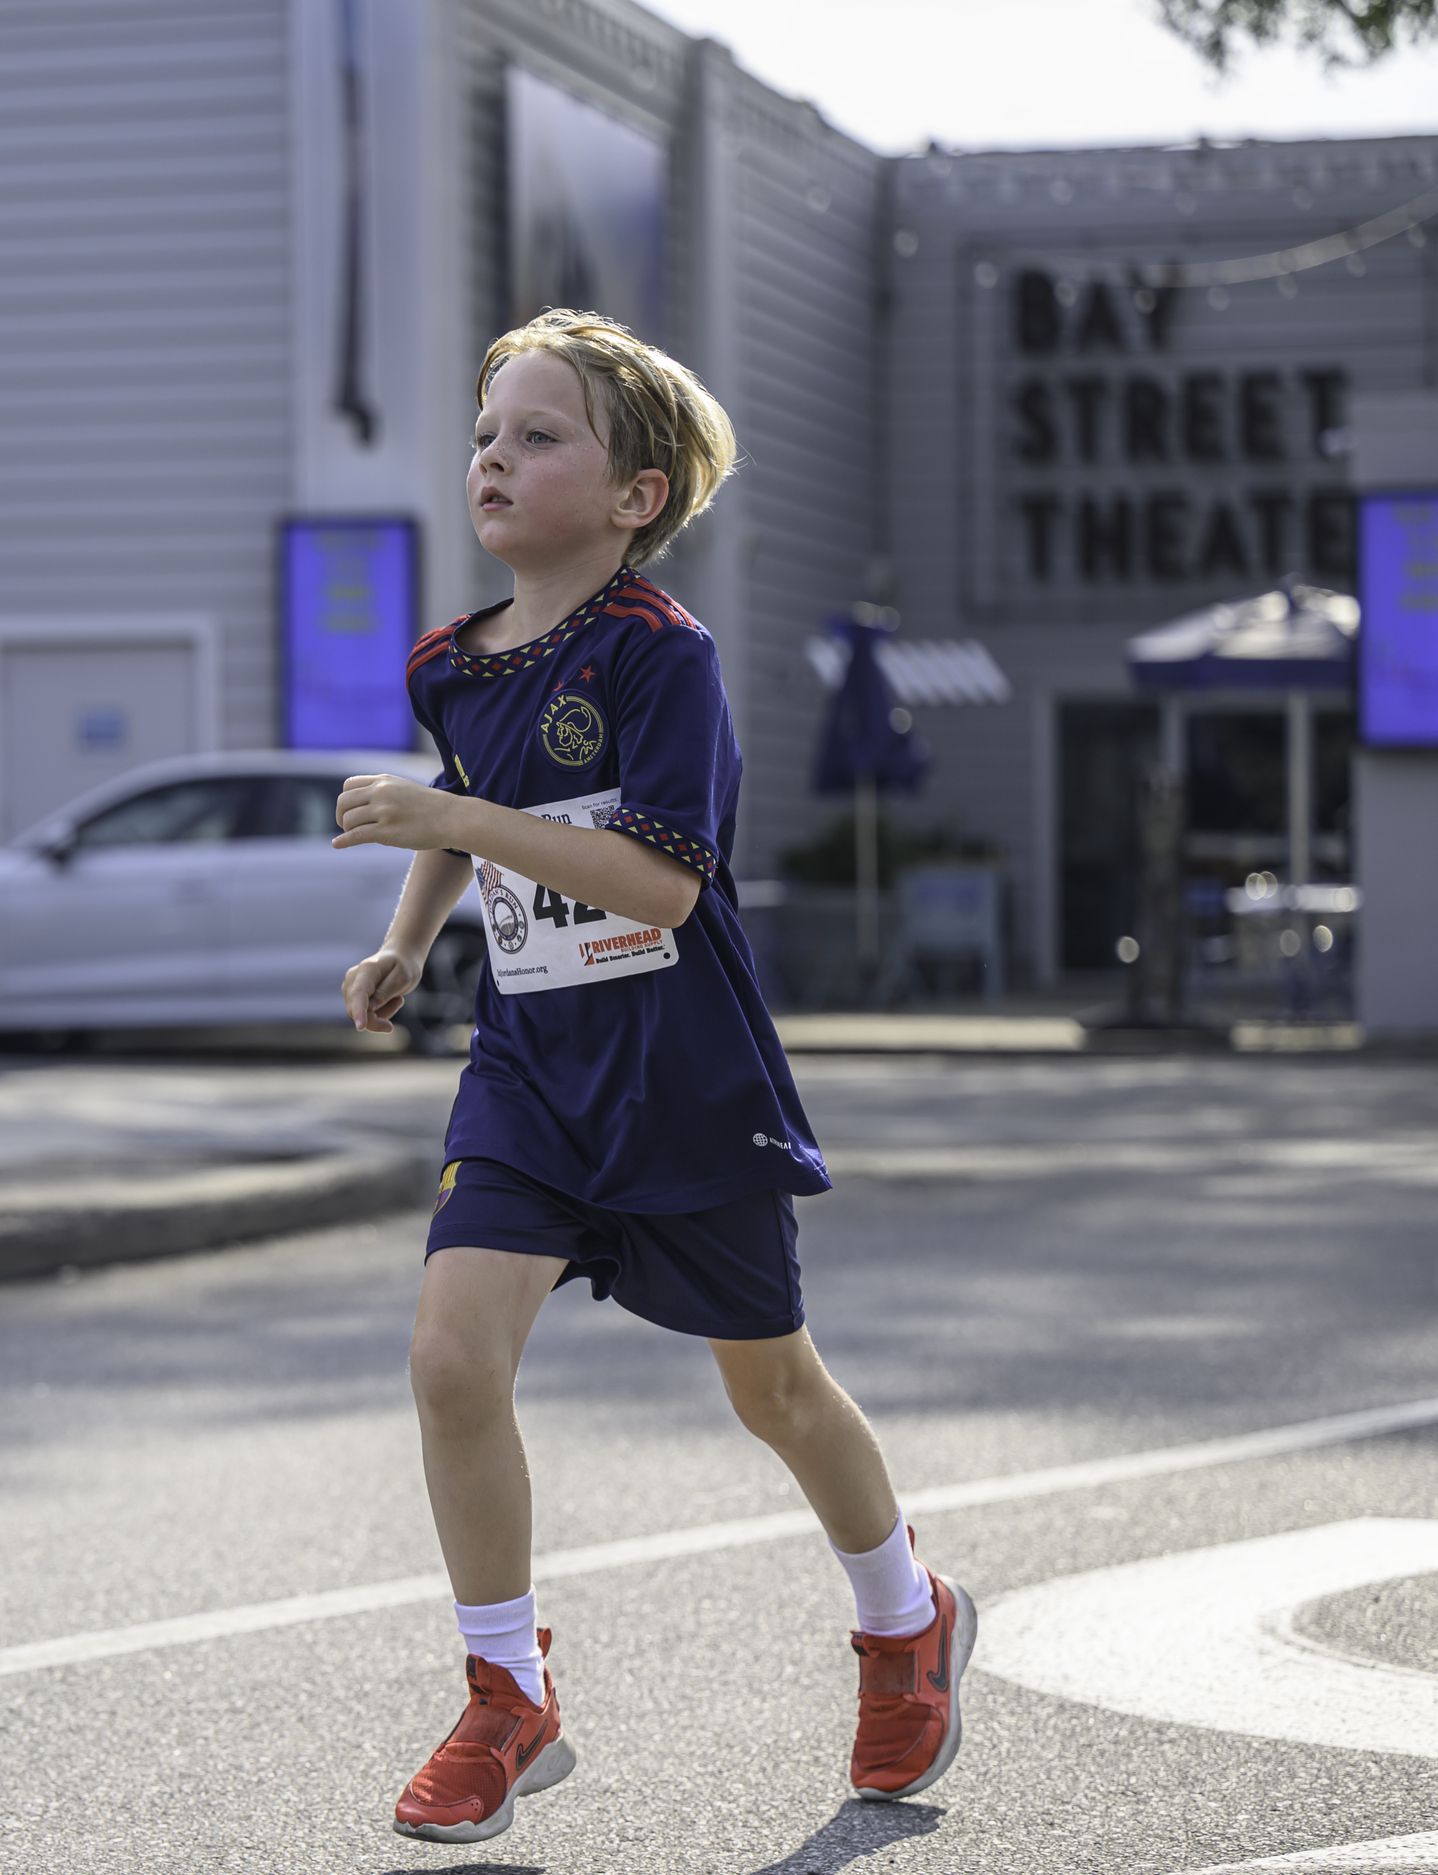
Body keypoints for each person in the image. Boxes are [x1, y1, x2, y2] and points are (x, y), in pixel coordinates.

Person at [335, 310, 974, 1847]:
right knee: (447, 1359)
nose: (495, 454)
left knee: (772, 1388)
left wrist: (450, 830)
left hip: (681, 1078)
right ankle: (507, 1693)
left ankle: (905, 1621)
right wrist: (411, 937)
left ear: (636, 497)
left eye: (541, 435)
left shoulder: (657, 655)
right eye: (488, 432)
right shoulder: (451, 662)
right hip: (532, 1072)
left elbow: (659, 888)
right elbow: (481, 807)